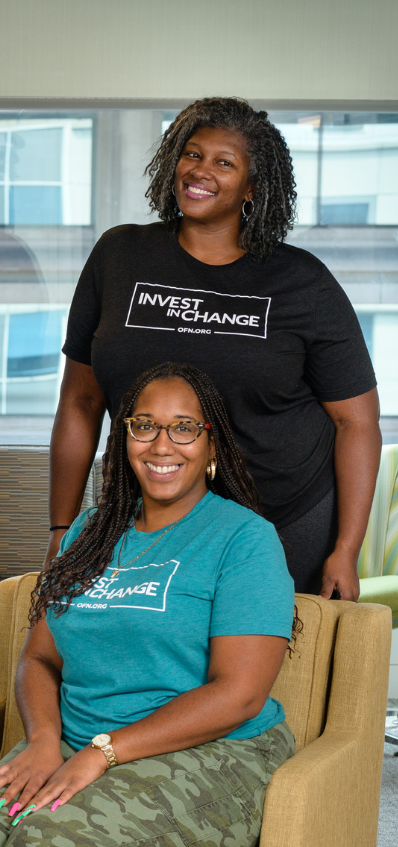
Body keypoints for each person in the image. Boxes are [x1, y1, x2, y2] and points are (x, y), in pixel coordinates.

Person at [0, 362, 297, 847]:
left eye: (183, 429)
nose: (161, 445)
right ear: (122, 440)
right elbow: (39, 657)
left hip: (215, 758)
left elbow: (240, 695)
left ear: (212, 446)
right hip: (76, 742)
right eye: (143, 426)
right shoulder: (89, 533)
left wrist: (103, 751)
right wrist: (42, 741)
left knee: (45, 844)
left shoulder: (244, 540)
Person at [49, 96, 380, 598]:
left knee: (261, 669)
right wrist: (62, 529)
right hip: (147, 508)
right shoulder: (120, 256)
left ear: (252, 186)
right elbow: (81, 400)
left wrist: (346, 549)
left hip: (281, 515)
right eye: (192, 154)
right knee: (151, 662)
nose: (200, 171)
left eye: (224, 162)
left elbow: (355, 421)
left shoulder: (301, 282)